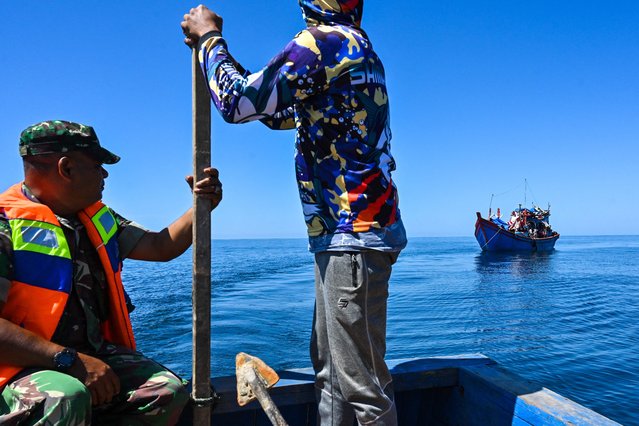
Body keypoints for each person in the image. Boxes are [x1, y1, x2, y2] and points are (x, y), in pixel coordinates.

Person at [181, 2, 407, 425]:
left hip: (351, 236)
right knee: (333, 374)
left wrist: (210, 39)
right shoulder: (357, 48)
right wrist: (214, 55)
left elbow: (238, 103)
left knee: (361, 388)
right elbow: (273, 112)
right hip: (350, 237)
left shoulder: (326, 43)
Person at [0, 120, 222, 425]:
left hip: (86, 356)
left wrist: (202, 205)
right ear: (66, 168)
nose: (104, 174)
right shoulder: (4, 226)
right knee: (65, 397)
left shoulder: (99, 218)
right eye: (97, 165)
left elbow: (160, 247)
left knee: (165, 390)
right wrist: (70, 361)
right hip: (18, 366)